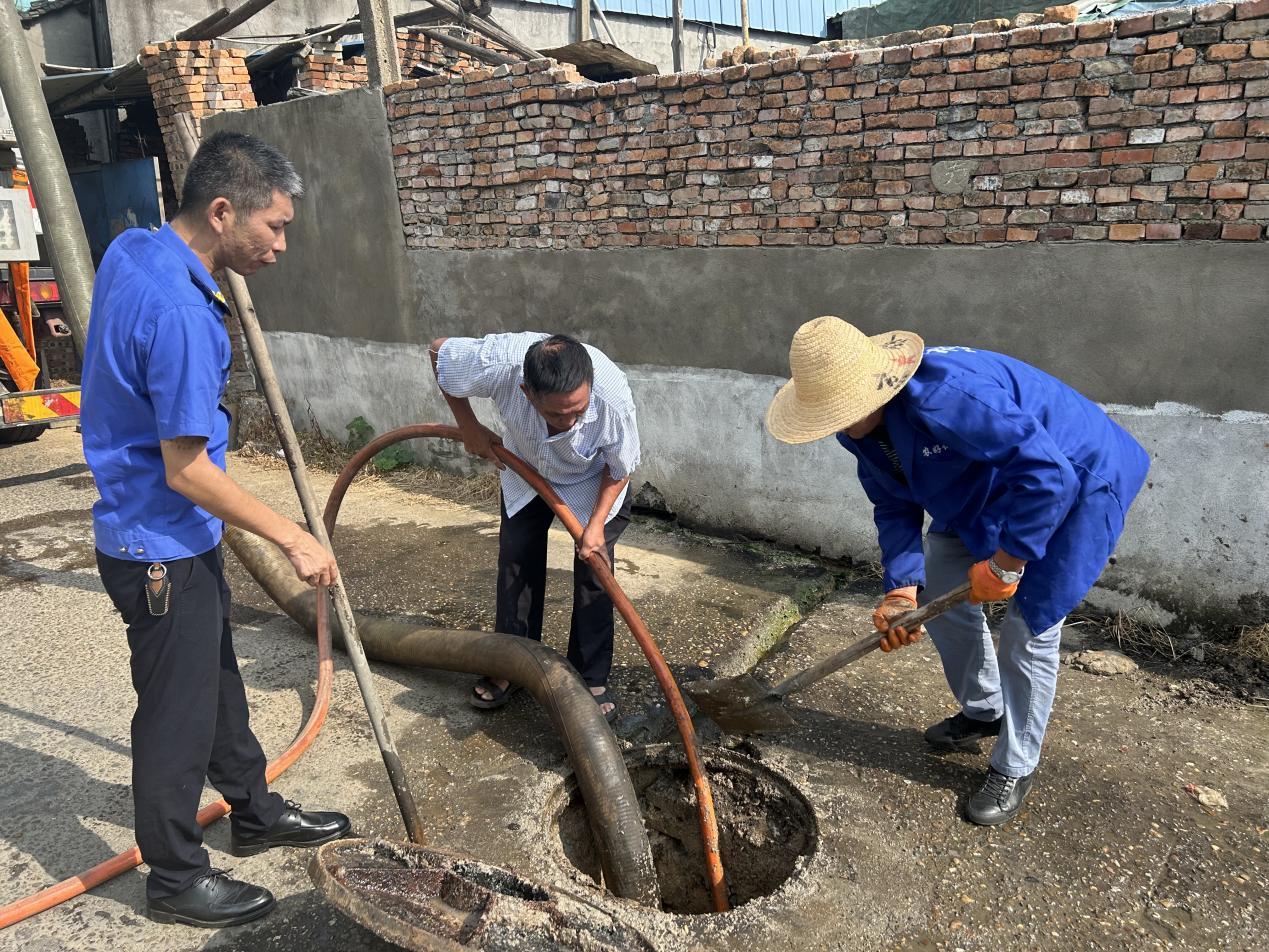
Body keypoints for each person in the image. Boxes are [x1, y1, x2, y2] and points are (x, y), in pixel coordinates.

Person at [80, 131, 351, 928]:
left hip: (172, 537)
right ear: (223, 211)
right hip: (155, 544)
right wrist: (295, 537)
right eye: (273, 227)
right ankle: (173, 876)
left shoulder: (137, 247)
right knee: (175, 715)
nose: (281, 244)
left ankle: (255, 810)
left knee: (217, 684)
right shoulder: (183, 313)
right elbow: (187, 469)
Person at [765, 316, 1149, 826]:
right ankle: (985, 708)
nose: (837, 423)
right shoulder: (857, 424)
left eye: (840, 411)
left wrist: (1008, 563)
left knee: (1028, 630)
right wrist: (902, 589)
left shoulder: (944, 397)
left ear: (873, 389)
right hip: (988, 481)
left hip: (1078, 475)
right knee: (940, 590)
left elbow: (1048, 473)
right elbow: (892, 502)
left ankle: (1016, 763)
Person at [430, 332, 641, 721]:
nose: (569, 421)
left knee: (595, 574)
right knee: (516, 561)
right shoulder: (500, 365)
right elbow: (440, 351)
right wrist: (468, 425)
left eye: (578, 410)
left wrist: (594, 526)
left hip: (592, 480)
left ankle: (589, 677)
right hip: (526, 466)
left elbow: (621, 466)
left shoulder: (612, 398)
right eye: (556, 414)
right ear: (527, 393)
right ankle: (512, 664)